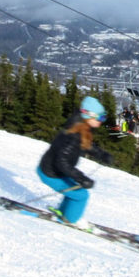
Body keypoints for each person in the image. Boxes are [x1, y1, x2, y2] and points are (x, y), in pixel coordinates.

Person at [36, 96, 113, 230]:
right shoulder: (74, 134)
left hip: (53, 170)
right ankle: (71, 220)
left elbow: (86, 145)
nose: (102, 121)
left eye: (103, 117)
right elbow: (62, 162)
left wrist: (102, 155)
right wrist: (81, 178)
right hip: (51, 173)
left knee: (76, 190)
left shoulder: (80, 126)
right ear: (88, 115)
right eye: (100, 118)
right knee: (81, 195)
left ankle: (64, 213)